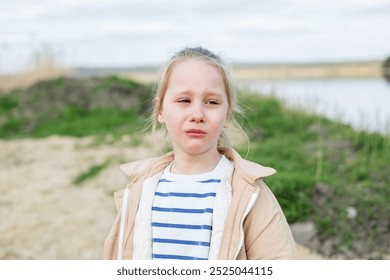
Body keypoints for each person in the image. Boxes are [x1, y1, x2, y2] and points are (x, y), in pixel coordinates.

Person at [103, 46, 297, 260]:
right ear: (160, 110)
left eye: (212, 102)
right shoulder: (139, 190)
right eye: (184, 100)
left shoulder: (249, 192)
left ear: (227, 115)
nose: (197, 114)